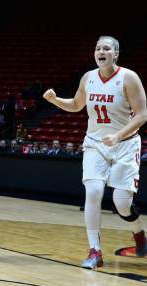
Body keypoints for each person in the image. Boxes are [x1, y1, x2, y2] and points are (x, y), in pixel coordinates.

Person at [43, 35, 147, 268]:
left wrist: (118, 136)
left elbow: (142, 115)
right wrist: (55, 100)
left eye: (106, 48)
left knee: (122, 204)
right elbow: (76, 105)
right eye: (98, 48)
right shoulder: (88, 78)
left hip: (126, 144)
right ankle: (95, 251)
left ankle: (139, 233)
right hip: (95, 144)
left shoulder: (128, 78)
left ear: (115, 54)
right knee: (94, 191)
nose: (101, 51)